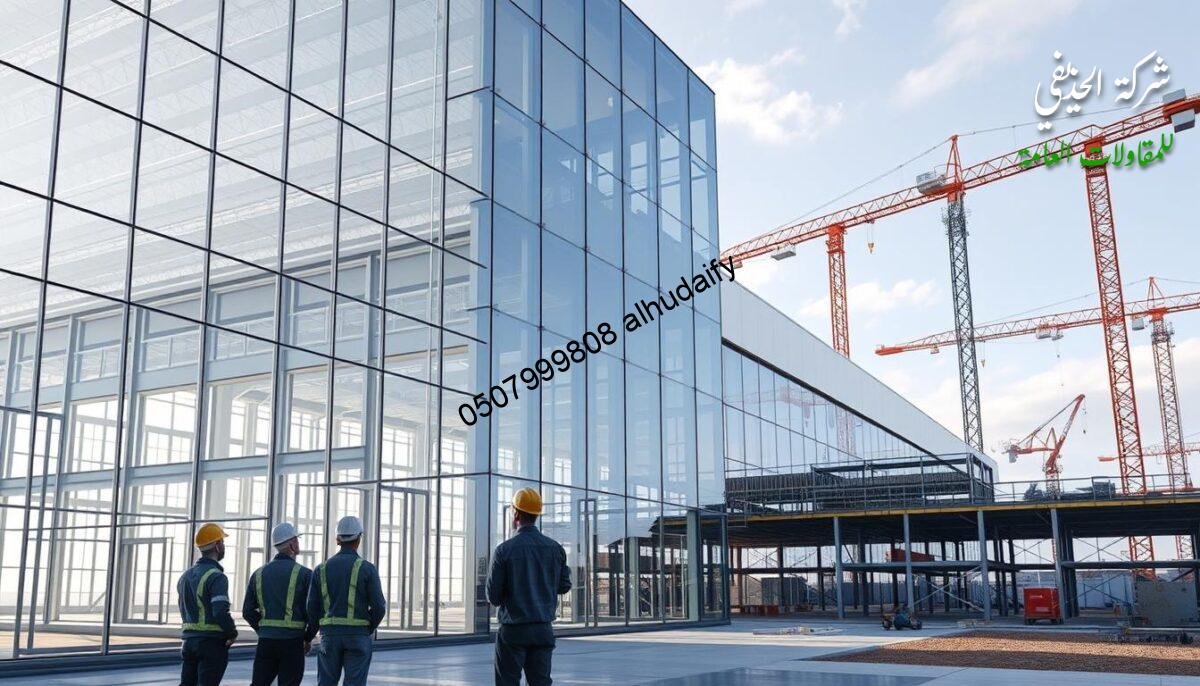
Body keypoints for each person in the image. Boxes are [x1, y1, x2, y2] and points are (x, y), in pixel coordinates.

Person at [486, 488, 572, 686]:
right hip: (543, 630)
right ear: (536, 515)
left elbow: (494, 597)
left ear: (515, 513)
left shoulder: (504, 550)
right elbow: (564, 586)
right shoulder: (555, 548)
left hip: (513, 631)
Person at [306, 516, 387, 686]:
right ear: (359, 539)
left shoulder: (320, 570)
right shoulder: (366, 568)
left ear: (337, 539)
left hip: (329, 637)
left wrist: (309, 636)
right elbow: (379, 607)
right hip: (358, 636)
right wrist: (367, 628)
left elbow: (312, 609)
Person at [243, 522, 318, 686]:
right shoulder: (305, 574)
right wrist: (307, 637)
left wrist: (263, 629)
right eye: (297, 540)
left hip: (266, 642)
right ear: (292, 544)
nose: (298, 543)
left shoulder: (258, 574)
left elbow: (247, 611)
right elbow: (314, 612)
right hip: (293, 642)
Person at [178, 522, 238, 686]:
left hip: (188, 644)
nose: (223, 546)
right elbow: (219, 611)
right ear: (217, 546)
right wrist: (232, 632)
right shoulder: (217, 577)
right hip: (210, 644)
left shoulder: (185, 577)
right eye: (222, 542)